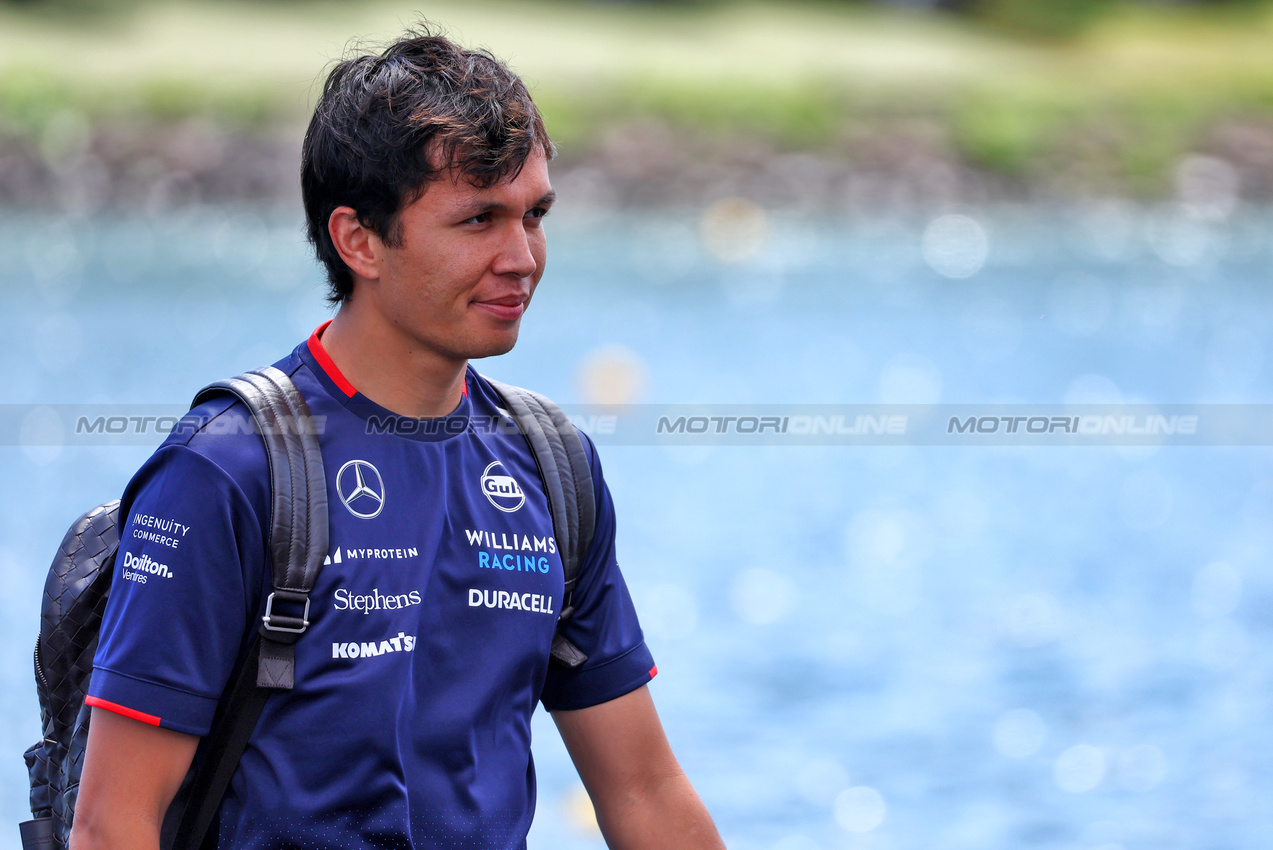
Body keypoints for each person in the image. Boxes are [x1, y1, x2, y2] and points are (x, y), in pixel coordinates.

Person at [70, 26, 725, 850]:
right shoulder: (228, 470)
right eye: (479, 219)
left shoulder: (553, 466)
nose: (521, 256)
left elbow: (645, 795)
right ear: (358, 240)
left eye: (535, 215)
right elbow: (109, 826)